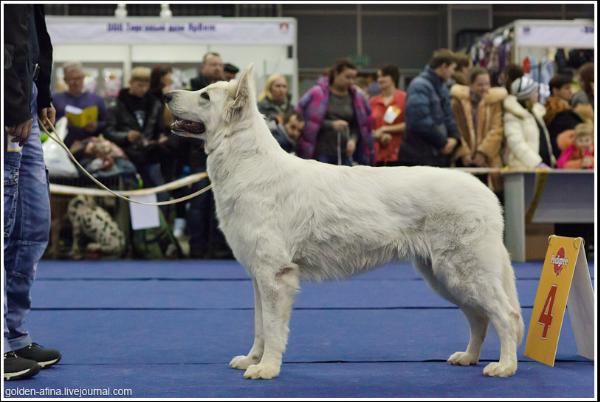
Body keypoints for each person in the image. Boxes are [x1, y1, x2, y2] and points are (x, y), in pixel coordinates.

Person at [4, 4, 62, 381]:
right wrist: (14, 106)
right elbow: (7, 41)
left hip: (24, 99)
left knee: (33, 226)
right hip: (9, 104)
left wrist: (41, 97)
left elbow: (34, 40)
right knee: (4, 224)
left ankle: (14, 334)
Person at [186, 52, 231, 258]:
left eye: (220, 64)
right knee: (198, 204)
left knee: (222, 205)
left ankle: (220, 248)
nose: (217, 68)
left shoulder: (227, 91)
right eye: (213, 64)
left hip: (224, 158)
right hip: (197, 157)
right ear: (203, 67)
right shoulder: (192, 89)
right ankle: (197, 247)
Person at [104, 67, 168, 203]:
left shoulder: (155, 104)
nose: (143, 89)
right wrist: (126, 136)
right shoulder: (116, 105)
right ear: (130, 82)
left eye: (146, 85)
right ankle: (127, 224)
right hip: (126, 158)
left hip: (151, 156)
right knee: (129, 197)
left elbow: (159, 129)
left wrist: (161, 138)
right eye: (139, 85)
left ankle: (160, 223)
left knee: (160, 194)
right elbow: (108, 131)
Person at [295, 59, 374, 166]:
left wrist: (353, 140)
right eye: (347, 77)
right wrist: (331, 125)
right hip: (320, 153)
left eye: (353, 78)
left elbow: (358, 125)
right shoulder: (316, 93)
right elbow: (302, 120)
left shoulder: (357, 97)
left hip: (346, 154)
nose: (351, 81)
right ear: (336, 73)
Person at [398, 49, 461, 167]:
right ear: (444, 66)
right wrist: (442, 143)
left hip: (435, 154)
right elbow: (418, 121)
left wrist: (454, 138)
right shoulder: (420, 86)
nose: (453, 73)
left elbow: (448, 116)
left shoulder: (441, 87)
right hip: (420, 155)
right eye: (452, 68)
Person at [450, 67, 507, 169]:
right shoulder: (458, 102)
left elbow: (497, 129)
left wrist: (483, 152)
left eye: (487, 84)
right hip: (463, 161)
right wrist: (464, 152)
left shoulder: (494, 102)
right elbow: (455, 128)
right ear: (471, 85)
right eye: (480, 84)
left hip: (488, 159)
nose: (484, 88)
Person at [502, 75, 555, 169]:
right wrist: (536, 163)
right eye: (535, 92)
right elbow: (516, 144)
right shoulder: (513, 116)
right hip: (525, 169)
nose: (537, 95)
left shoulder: (536, 113)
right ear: (527, 95)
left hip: (543, 167)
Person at [53, 62, 108, 148]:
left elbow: (106, 123)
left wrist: (96, 126)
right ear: (65, 80)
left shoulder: (97, 100)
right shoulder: (55, 99)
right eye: (71, 79)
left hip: (89, 146)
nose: (75, 82)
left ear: (83, 78)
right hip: (61, 145)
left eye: (78, 78)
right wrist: (63, 122)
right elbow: (46, 123)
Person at [544, 74, 590, 160]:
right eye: (566, 88)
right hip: (568, 159)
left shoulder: (565, 110)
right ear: (555, 90)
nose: (570, 92)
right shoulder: (557, 113)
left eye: (570, 88)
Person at [369, 65, 407, 166]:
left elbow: (409, 124)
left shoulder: (404, 98)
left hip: (399, 154)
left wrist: (384, 129)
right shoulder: (373, 101)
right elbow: (367, 126)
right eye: (378, 77)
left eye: (383, 76)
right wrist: (377, 135)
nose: (379, 79)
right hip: (377, 156)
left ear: (393, 77)